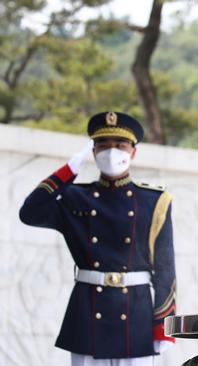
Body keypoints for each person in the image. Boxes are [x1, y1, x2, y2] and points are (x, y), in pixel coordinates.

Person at [19, 111, 177, 366]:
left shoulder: (154, 201)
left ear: (133, 152)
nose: (111, 152)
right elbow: (30, 213)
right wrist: (67, 171)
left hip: (135, 311)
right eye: (103, 145)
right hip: (88, 310)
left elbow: (165, 269)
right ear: (93, 152)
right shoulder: (74, 197)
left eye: (120, 145)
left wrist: (163, 327)